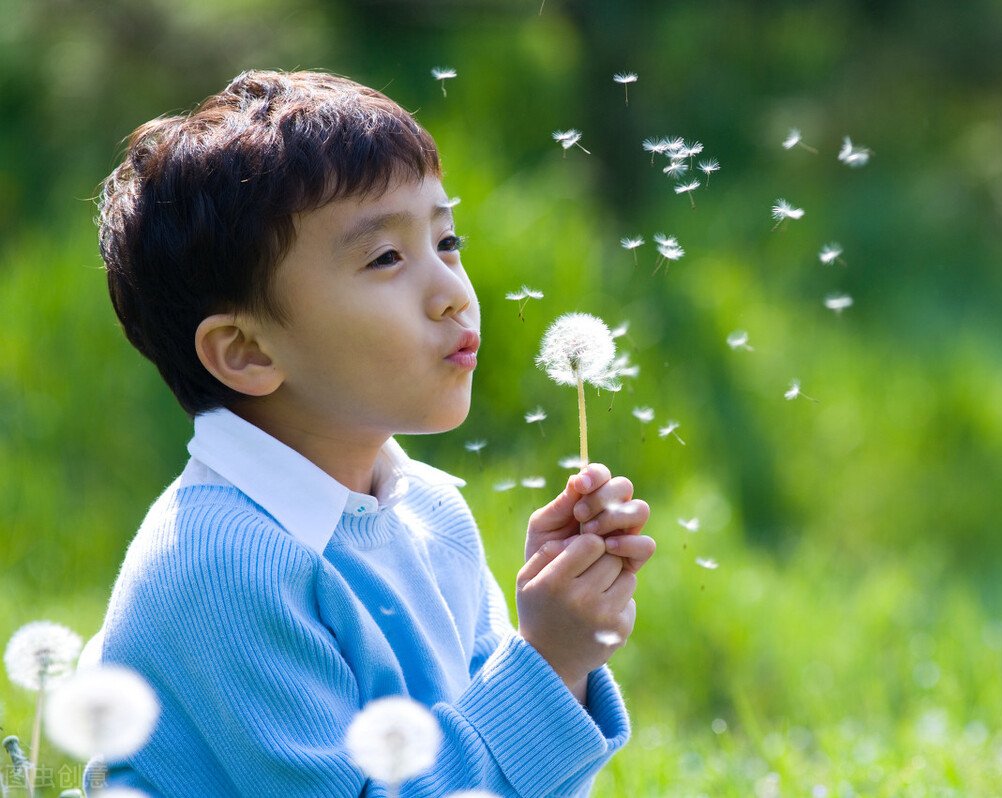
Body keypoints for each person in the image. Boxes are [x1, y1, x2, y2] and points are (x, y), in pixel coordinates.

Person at [79, 68, 655, 797]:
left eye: (448, 241)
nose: (453, 294)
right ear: (248, 352)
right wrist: (548, 664)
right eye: (386, 257)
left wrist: (559, 642)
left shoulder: (431, 512)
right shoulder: (221, 566)